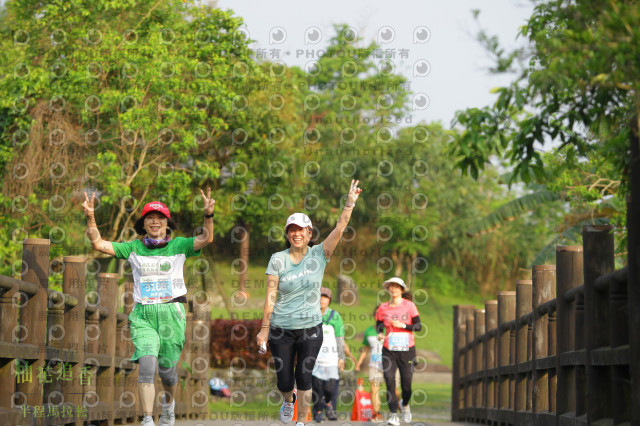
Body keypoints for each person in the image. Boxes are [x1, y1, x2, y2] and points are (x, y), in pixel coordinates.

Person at [82, 190, 215, 426]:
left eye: (160, 217)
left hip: (171, 314)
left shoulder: (179, 245)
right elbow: (98, 243)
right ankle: (147, 419)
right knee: (146, 365)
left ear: (167, 222)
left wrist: (208, 215)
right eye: (150, 218)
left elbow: (206, 239)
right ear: (143, 223)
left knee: (167, 372)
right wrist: (91, 217)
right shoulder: (133, 248)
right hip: (143, 314)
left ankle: (168, 405)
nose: (155, 222)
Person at [256, 179, 363, 426]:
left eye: (301, 229)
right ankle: (288, 400)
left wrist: (350, 203)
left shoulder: (320, 254)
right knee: (284, 381)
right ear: (287, 233)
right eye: (292, 229)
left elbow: (341, 226)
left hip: (310, 328)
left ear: (309, 233)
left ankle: (301, 421)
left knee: (304, 377)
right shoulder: (278, 259)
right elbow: (271, 294)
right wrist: (264, 329)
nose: (296, 233)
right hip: (281, 328)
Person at [376, 277, 422, 426]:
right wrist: (380, 332)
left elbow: (418, 326)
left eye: (397, 286)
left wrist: (402, 325)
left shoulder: (409, 306)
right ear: (388, 289)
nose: (394, 289)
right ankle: (393, 415)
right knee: (389, 381)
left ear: (402, 289)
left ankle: (405, 404)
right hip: (389, 349)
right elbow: (378, 325)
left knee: (406, 385)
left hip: (407, 349)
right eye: (391, 286)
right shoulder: (383, 307)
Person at [311, 287, 355, 422]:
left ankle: (329, 404)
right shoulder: (309, 315)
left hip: (331, 359)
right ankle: (318, 411)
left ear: (329, 300)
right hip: (314, 359)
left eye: (325, 297)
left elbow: (340, 339)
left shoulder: (335, 316)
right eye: (320, 297)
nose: (322, 300)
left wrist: (341, 358)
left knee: (329, 388)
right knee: (317, 388)